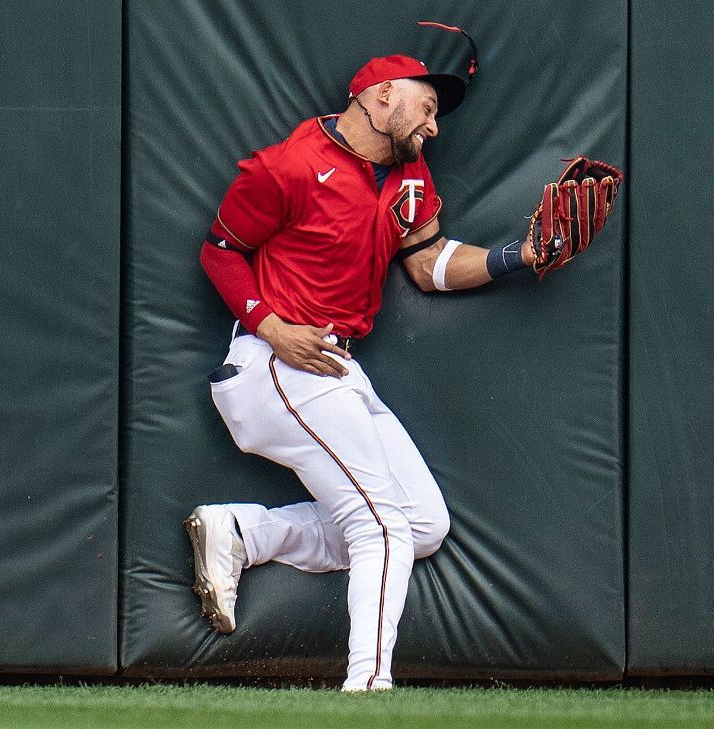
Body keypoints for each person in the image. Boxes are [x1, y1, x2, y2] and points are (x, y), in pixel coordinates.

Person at [186, 53, 539, 692]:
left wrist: (520, 256)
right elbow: (219, 250)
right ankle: (368, 688)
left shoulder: (409, 177)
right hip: (276, 361)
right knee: (380, 525)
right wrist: (271, 325)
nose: (433, 127)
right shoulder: (287, 166)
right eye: (426, 108)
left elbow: (427, 263)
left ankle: (247, 532)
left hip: (336, 366)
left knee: (422, 525)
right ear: (379, 98)